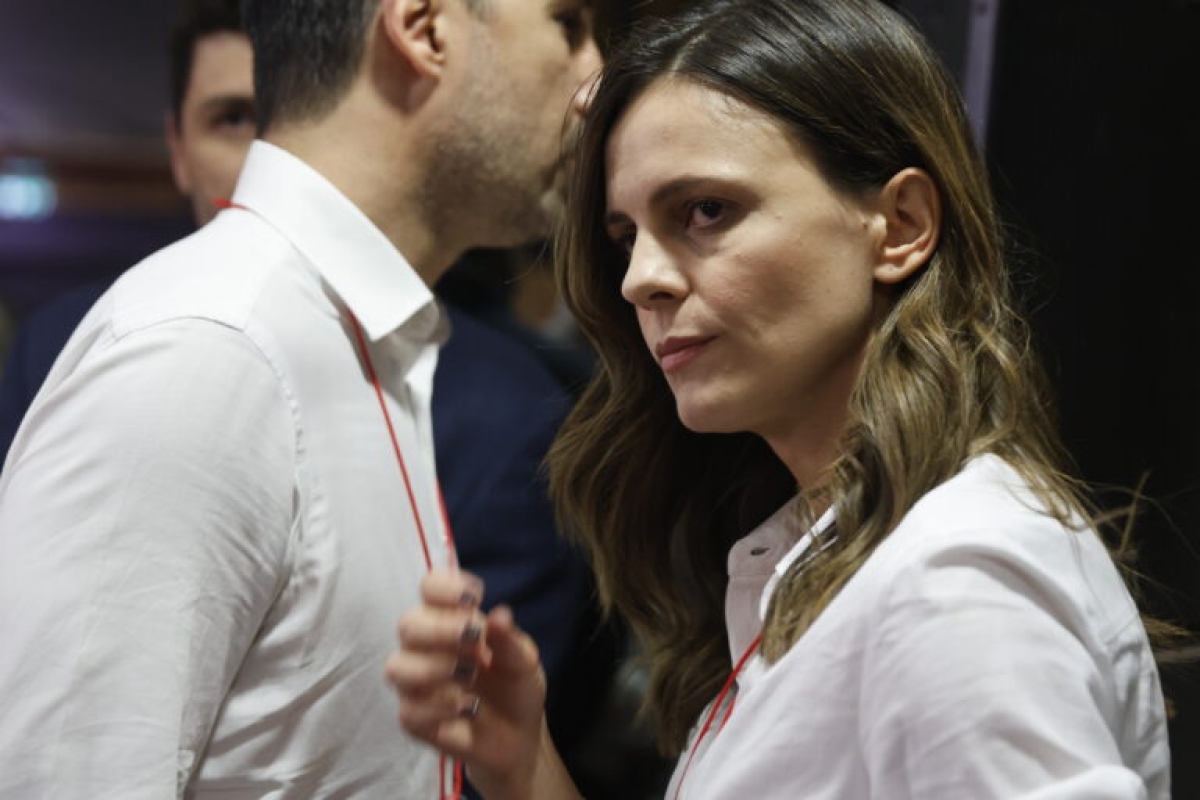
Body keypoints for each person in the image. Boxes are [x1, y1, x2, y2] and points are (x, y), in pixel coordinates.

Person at [386, 0, 1172, 797]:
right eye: (627, 237)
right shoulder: (827, 557)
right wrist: (525, 769)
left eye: (706, 211)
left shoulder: (955, 583)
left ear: (900, 226)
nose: (639, 279)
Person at [0, 0, 602, 796]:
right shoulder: (211, 348)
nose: (594, 78)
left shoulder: (349, 336)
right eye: (567, 25)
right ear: (425, 28)